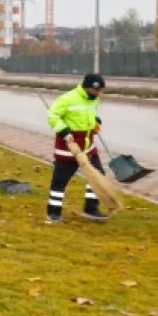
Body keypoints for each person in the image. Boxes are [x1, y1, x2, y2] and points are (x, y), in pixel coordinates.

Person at [46, 74, 109, 222]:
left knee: (97, 175)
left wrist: (95, 122)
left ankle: (90, 209)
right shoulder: (67, 99)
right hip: (68, 148)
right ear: (89, 88)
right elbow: (52, 116)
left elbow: (88, 116)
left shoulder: (93, 99)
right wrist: (64, 131)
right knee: (60, 182)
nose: (100, 93)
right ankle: (53, 213)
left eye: (101, 91)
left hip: (88, 147)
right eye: (98, 90)